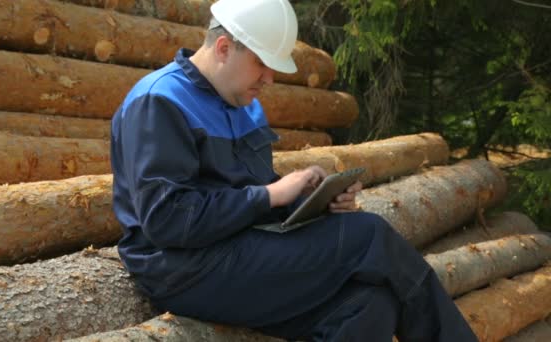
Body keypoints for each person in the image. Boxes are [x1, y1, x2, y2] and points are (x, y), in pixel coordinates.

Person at [110, 0, 478, 340]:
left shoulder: (242, 103)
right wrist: (270, 195)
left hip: (241, 248)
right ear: (224, 48)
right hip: (183, 268)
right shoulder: (159, 101)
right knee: (369, 236)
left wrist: (309, 200)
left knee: (369, 303)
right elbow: (166, 220)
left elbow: (251, 193)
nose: (269, 78)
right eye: (262, 63)